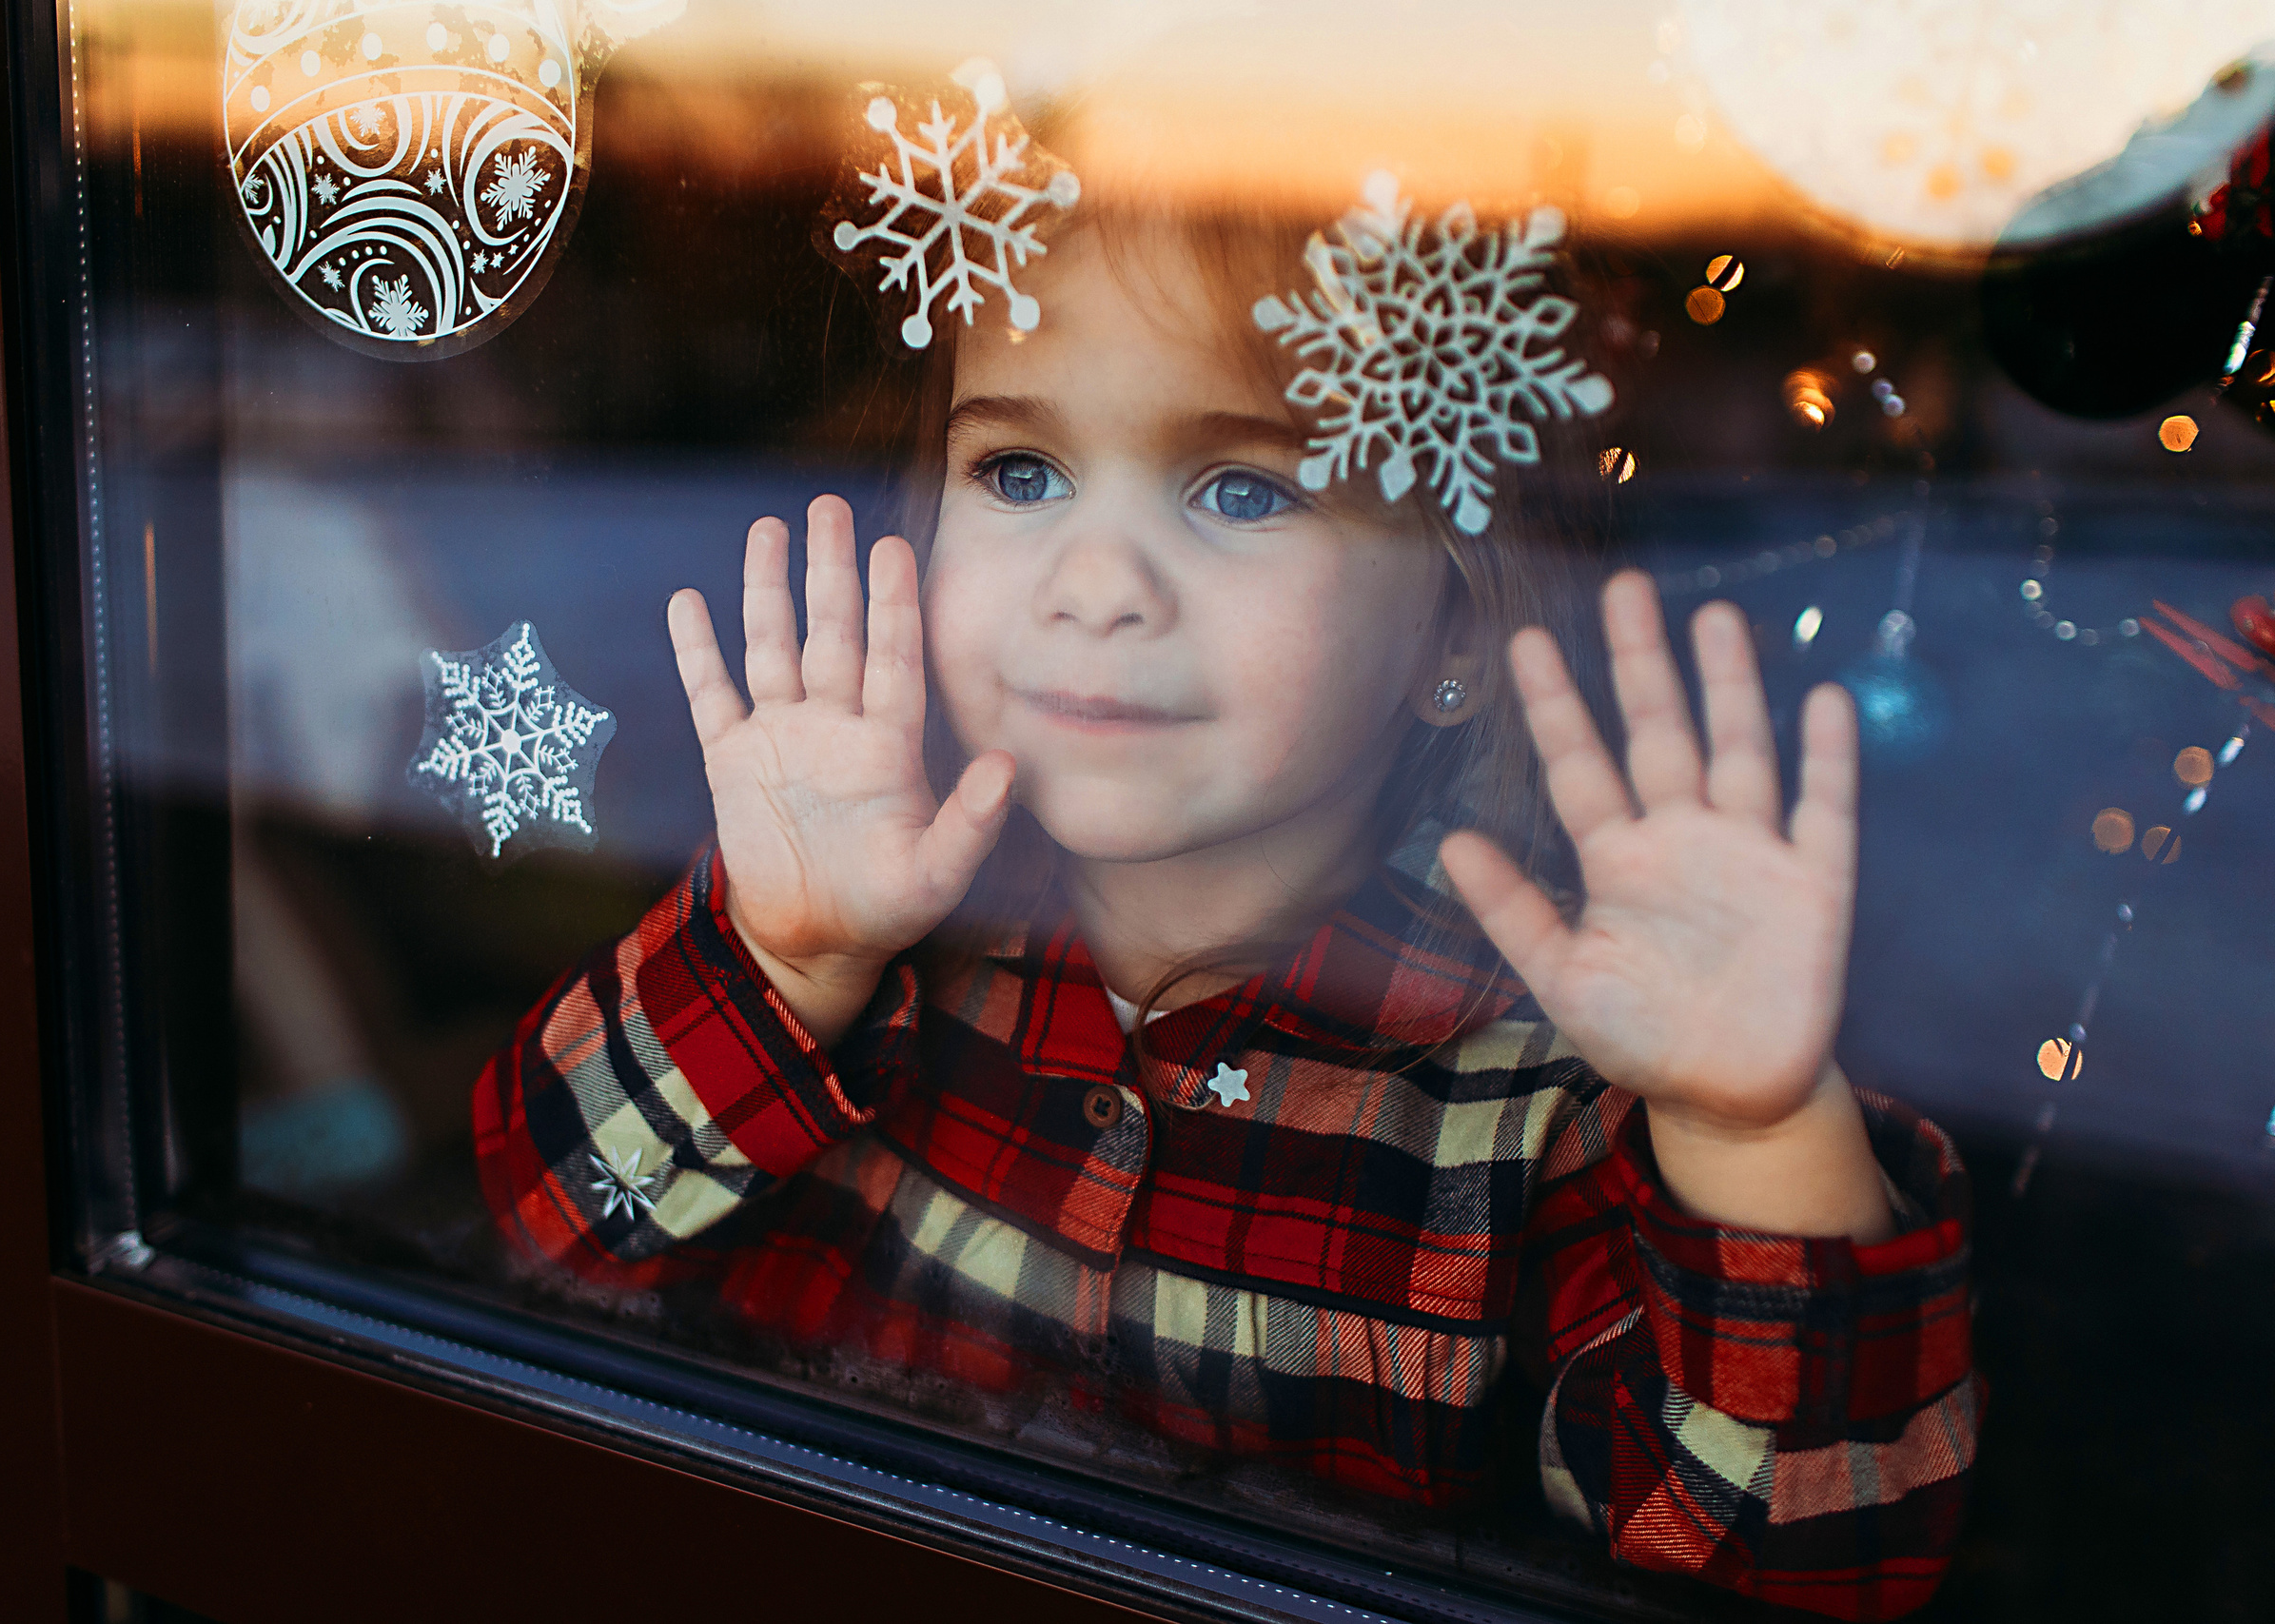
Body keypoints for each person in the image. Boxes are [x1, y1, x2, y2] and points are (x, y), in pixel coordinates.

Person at [473, 190, 1976, 1620]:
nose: (1097, 580)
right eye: (1019, 472)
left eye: (1244, 488)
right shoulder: (854, 923)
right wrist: (785, 967)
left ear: (1451, 620)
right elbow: (543, 1238)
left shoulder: (1540, 1100)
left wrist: (1755, 1133)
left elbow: (1792, 1567)